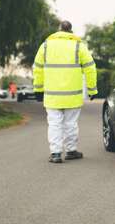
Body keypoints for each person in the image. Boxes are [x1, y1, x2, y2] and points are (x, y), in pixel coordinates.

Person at [33, 20, 98, 163]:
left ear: (58, 30)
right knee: (71, 124)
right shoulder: (78, 46)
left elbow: (37, 68)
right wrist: (92, 89)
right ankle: (71, 150)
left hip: (52, 96)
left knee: (54, 124)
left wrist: (38, 89)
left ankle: (55, 154)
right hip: (72, 96)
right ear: (70, 31)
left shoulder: (46, 46)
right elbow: (90, 67)